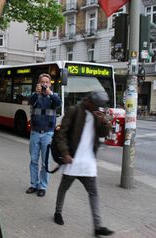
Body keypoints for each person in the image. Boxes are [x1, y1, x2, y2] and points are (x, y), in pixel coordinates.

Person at [53, 91, 114, 237]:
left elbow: (102, 134)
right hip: (73, 160)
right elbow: (61, 134)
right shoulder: (74, 111)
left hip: (88, 163)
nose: (97, 108)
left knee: (94, 194)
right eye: (95, 105)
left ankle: (98, 227)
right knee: (63, 188)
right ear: (88, 101)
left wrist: (105, 121)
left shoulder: (97, 114)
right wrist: (65, 153)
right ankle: (58, 213)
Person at [26, 73, 61, 197]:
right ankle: (34, 184)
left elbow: (58, 103)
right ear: (39, 83)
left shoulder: (54, 96)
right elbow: (30, 102)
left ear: (50, 84)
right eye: (43, 82)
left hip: (48, 134)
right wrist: (36, 93)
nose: (45, 84)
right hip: (35, 133)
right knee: (34, 160)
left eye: (47, 82)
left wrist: (50, 93)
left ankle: (43, 186)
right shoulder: (35, 96)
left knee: (45, 162)